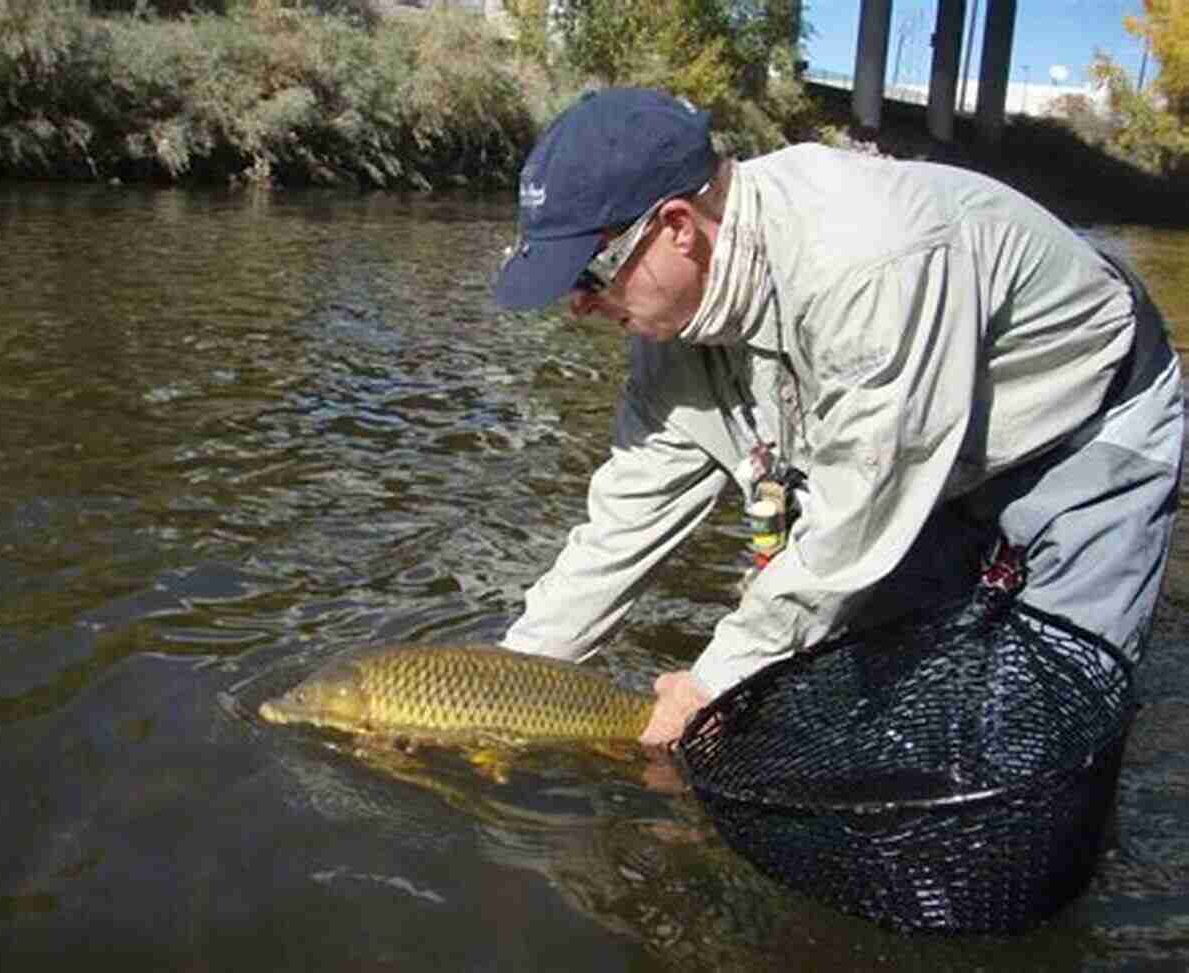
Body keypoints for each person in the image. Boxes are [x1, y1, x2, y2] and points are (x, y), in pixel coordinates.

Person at [492, 87, 1185, 749]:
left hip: (1086, 421)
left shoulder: (868, 263)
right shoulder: (665, 333)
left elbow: (854, 523)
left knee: (1039, 725)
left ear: (676, 228)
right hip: (918, 451)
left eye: (586, 276)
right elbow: (622, 525)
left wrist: (708, 684)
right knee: (878, 705)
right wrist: (502, 692)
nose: (577, 306)